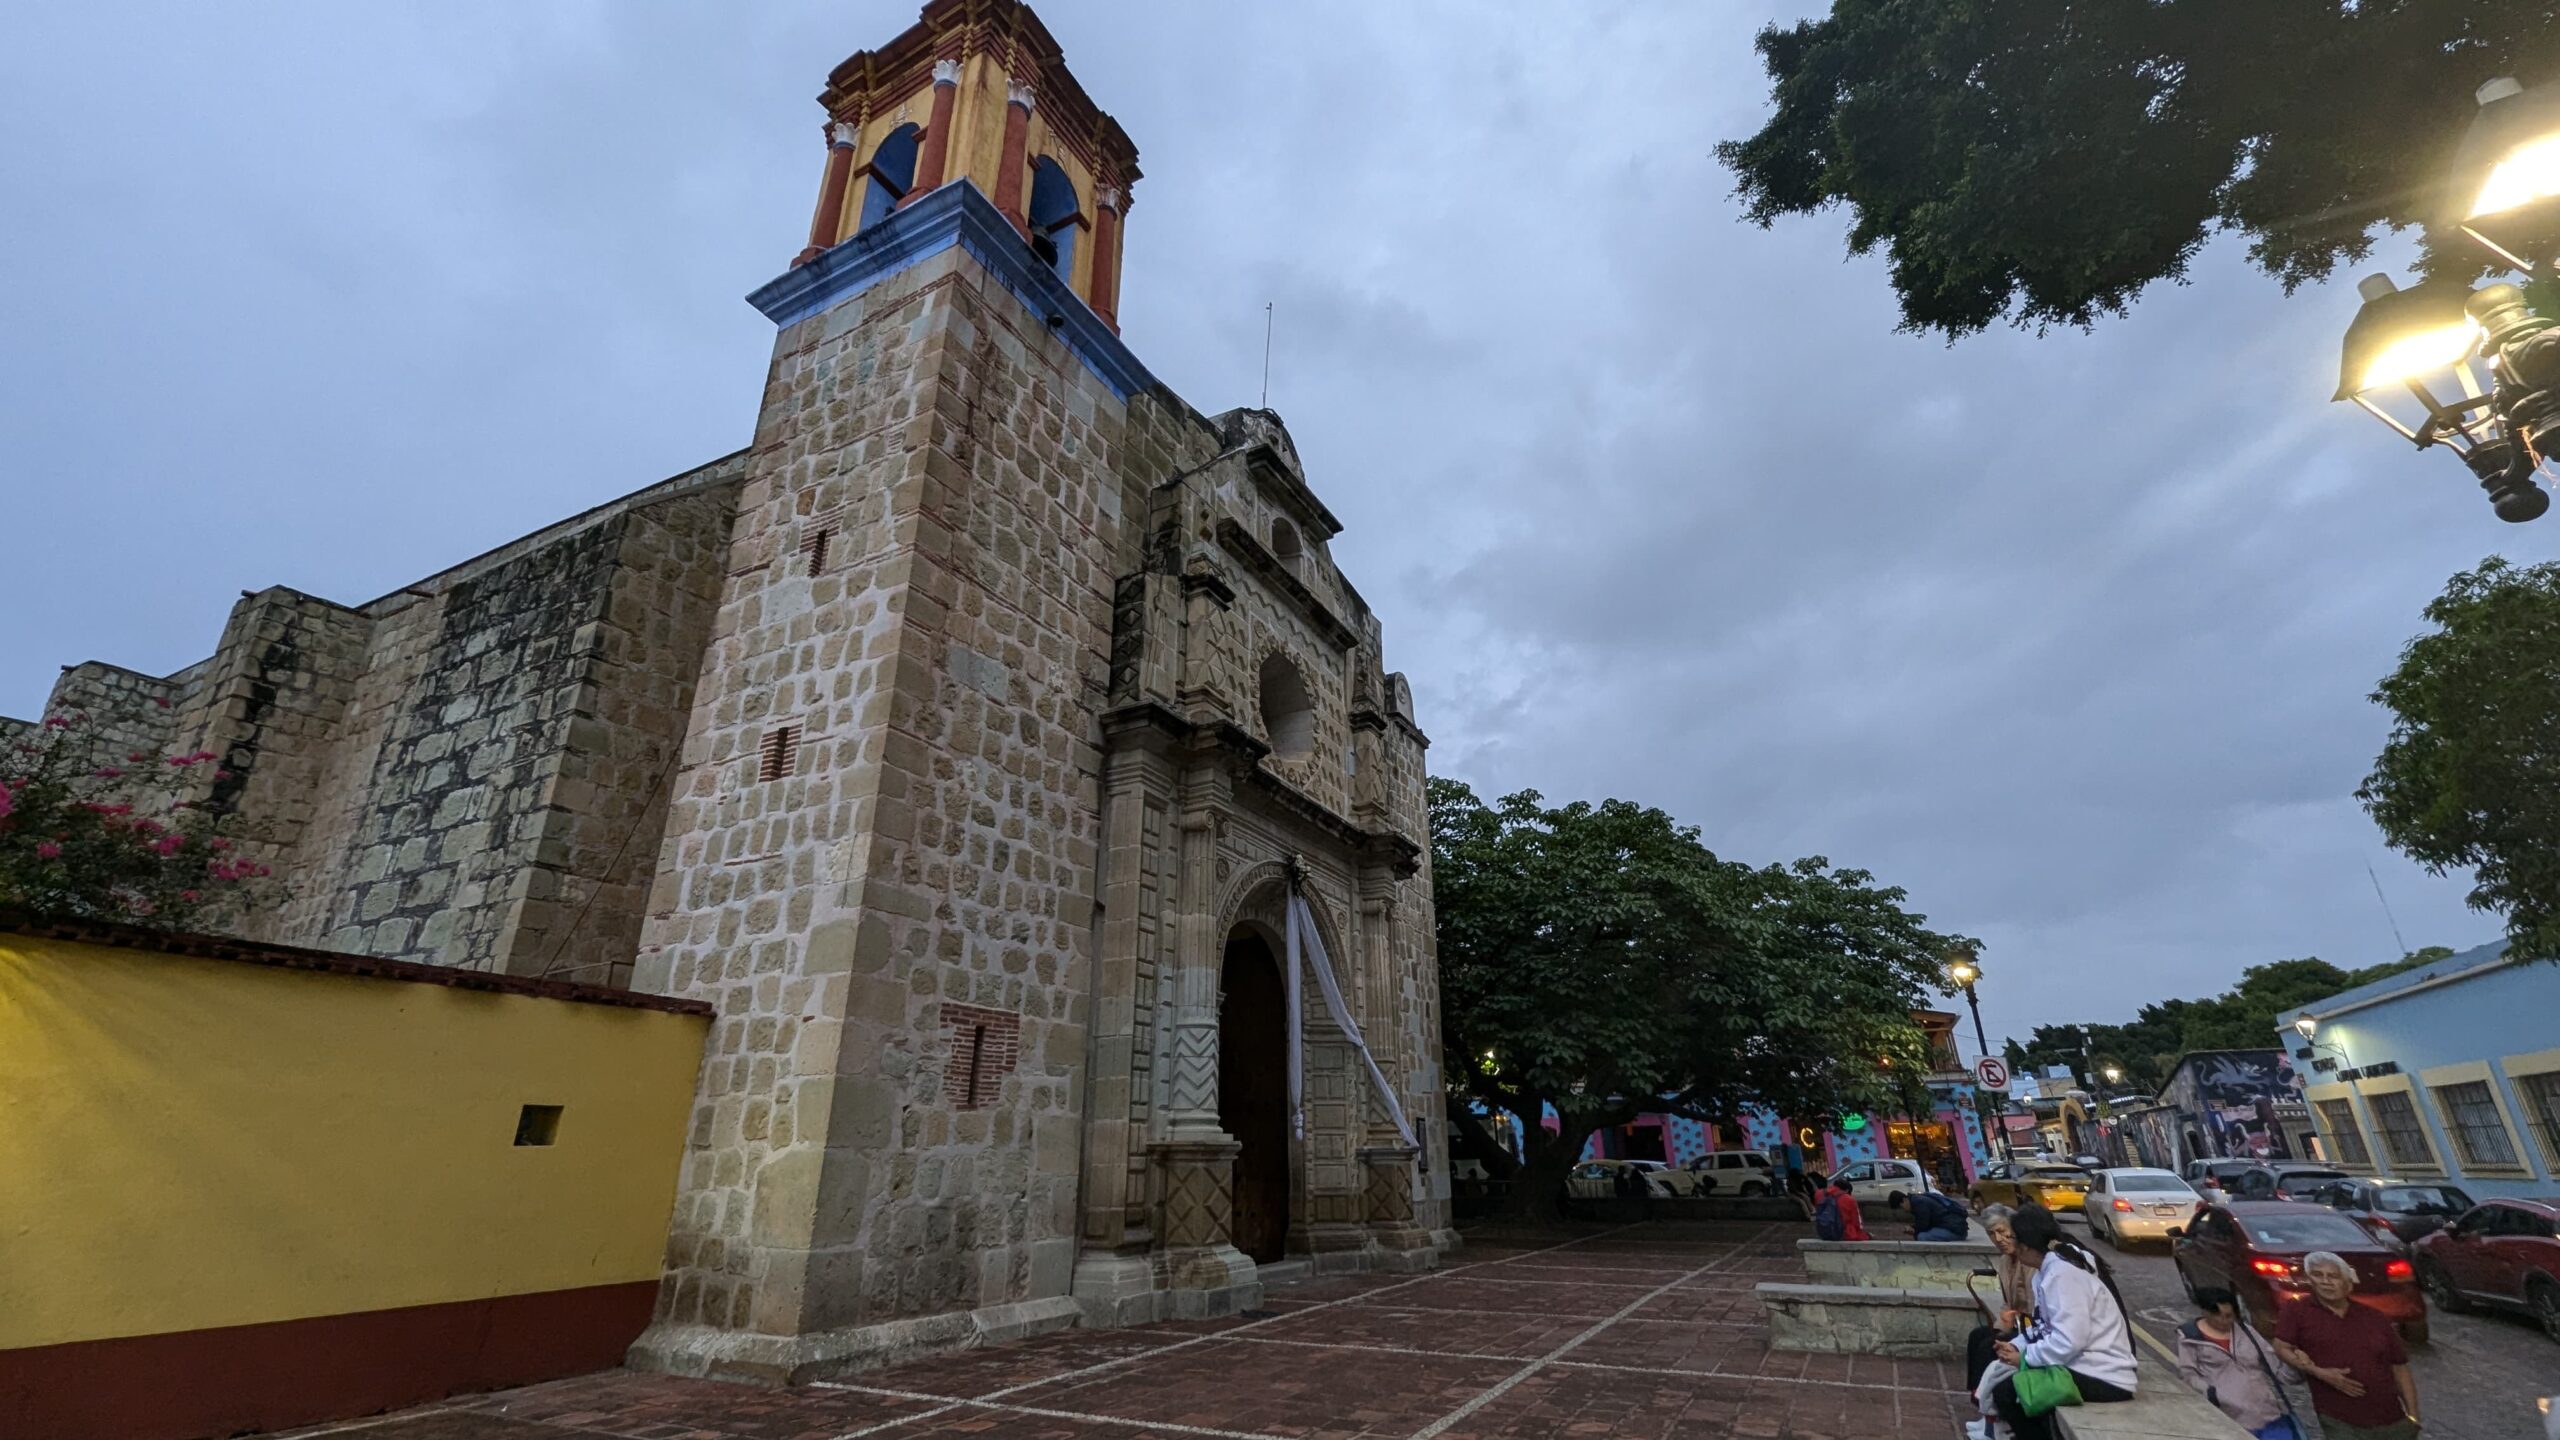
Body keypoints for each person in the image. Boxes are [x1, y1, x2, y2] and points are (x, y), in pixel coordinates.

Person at [1988, 1205, 2137, 1440]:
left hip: (2102, 1374)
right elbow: (2044, 1325)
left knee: (2009, 1392)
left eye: (2012, 1238)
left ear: (2026, 1245)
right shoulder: (2047, 1269)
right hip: (2080, 1363)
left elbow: (2069, 1340)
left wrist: (2026, 1358)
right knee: (2004, 1378)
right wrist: (2017, 1345)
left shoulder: (2062, 1274)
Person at [2274, 1251, 2420, 1440]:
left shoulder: (2374, 1317)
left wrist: (2413, 1416)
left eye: (2333, 1276)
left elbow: (2399, 1368)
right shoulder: (2297, 1310)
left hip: (2392, 1419)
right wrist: (2319, 1372)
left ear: (2348, 1284)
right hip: (2340, 1420)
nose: (2325, 1281)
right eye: (2318, 1275)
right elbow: (2281, 1347)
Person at [2175, 1286, 2298, 1440]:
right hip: (2228, 1419)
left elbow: (2276, 1369)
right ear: (2205, 1312)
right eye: (2218, 1316)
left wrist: (2297, 1365)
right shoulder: (2190, 1337)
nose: (2224, 1321)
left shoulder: (2246, 1332)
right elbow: (2188, 1374)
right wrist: (2212, 1394)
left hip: (2267, 1415)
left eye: (2229, 1316)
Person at [1963, 1204, 2038, 1440]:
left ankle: (1997, 1418)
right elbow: (2008, 1302)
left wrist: (2013, 1323)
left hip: (2032, 1329)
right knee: (1979, 1337)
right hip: (2016, 1323)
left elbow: (2037, 1306)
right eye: (1991, 1234)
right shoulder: (2005, 1261)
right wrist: (2002, 1323)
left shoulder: (2031, 1259)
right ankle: (1984, 1411)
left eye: (2002, 1231)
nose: (1999, 1239)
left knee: (1990, 1346)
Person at [1891, 1187, 1970, 1241]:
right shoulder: (1917, 1199)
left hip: (1955, 1231)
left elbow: (1923, 1225)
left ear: (1904, 1200)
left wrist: (1913, 1230)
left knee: (1922, 1237)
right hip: (1953, 1227)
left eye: (1901, 1207)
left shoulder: (1919, 1203)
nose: (1903, 1210)